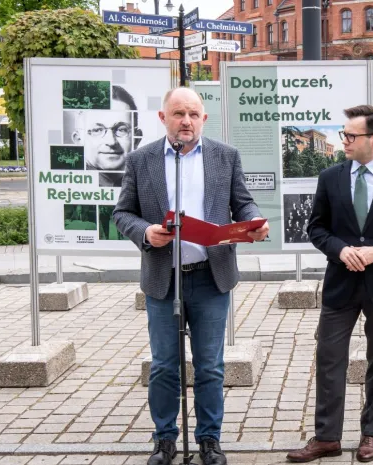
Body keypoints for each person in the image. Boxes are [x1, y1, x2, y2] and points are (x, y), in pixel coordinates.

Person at [113, 87, 270, 465]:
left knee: (210, 366)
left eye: (193, 114)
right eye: (179, 113)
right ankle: (164, 439)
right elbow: (122, 213)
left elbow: (242, 200)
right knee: (165, 365)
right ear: (162, 118)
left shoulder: (225, 156)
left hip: (210, 276)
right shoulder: (140, 159)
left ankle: (209, 440)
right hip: (163, 279)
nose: (186, 121)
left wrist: (252, 221)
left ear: (204, 119)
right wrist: (145, 232)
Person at [286, 105, 373, 463]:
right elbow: (316, 228)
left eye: (350, 135)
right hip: (341, 283)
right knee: (329, 358)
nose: (343, 141)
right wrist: (341, 249)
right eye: (343, 135)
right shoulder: (330, 177)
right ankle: (326, 437)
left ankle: (370, 433)